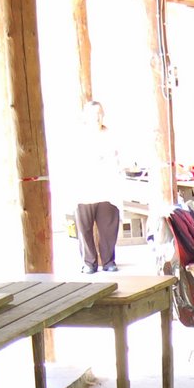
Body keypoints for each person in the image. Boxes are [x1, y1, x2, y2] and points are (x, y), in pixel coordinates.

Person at [71, 101, 125, 274]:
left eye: (100, 113)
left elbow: (119, 158)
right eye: (93, 114)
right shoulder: (78, 137)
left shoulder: (111, 135)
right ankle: (89, 262)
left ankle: (108, 260)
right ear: (86, 117)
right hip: (84, 188)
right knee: (84, 228)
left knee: (108, 227)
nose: (97, 117)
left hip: (107, 188)